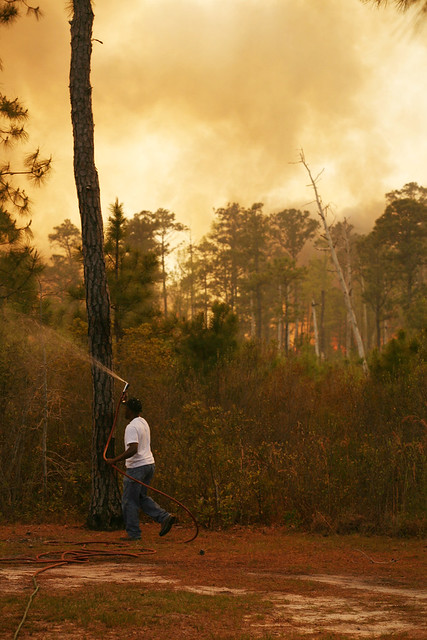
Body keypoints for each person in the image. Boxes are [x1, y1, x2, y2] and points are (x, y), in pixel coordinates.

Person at [106, 397, 176, 541]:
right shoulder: (143, 422)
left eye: (126, 408)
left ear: (130, 411)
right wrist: (124, 399)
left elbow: (133, 449)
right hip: (149, 465)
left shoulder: (131, 427)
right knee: (140, 497)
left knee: (128, 501)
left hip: (137, 468)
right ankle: (164, 517)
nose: (124, 411)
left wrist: (115, 460)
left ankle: (133, 534)